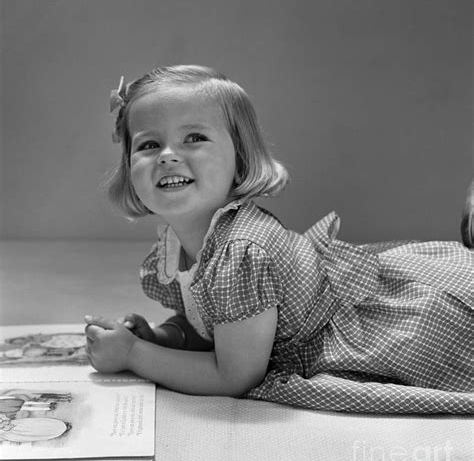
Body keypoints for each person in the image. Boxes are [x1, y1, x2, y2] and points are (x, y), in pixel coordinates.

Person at [85, 65, 473, 413]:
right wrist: (164, 337)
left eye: (194, 138)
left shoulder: (242, 251)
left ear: (240, 156)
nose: (168, 156)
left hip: (397, 330)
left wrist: (135, 355)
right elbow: (213, 324)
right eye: (149, 144)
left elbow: (233, 375)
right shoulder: (181, 245)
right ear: (128, 167)